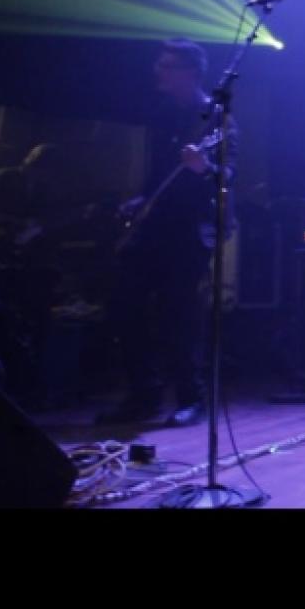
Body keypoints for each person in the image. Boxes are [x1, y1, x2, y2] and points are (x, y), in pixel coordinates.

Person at [95, 39, 235, 427]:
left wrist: (203, 168)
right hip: (154, 226)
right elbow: (157, 177)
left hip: (191, 229)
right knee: (127, 307)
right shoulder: (161, 116)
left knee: (180, 313)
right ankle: (144, 394)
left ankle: (192, 397)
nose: (158, 71)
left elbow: (227, 175)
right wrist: (140, 199)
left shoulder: (215, 118)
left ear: (190, 72)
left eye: (167, 65)